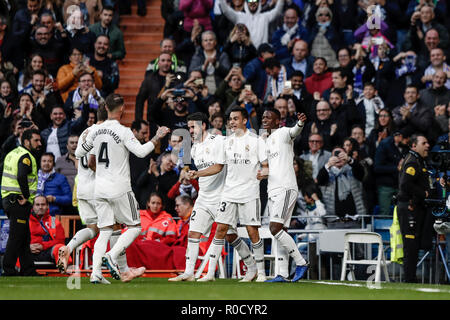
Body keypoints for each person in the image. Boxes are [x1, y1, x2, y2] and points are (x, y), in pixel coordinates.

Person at [75, 93, 170, 283]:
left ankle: (95, 274)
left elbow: (78, 153)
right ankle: (112, 256)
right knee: (135, 227)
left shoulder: (96, 131)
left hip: (99, 190)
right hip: (119, 188)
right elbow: (142, 152)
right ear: (122, 109)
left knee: (105, 230)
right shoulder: (124, 131)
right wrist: (157, 137)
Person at [169, 112, 257, 281]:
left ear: (203, 126)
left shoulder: (218, 141)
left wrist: (198, 173)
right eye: (188, 128)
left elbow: (218, 166)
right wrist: (187, 172)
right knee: (193, 233)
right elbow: (193, 169)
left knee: (231, 236)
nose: (191, 131)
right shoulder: (194, 148)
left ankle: (251, 265)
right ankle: (189, 273)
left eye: (193, 127)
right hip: (203, 198)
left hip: (222, 197)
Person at [192, 106, 268, 282]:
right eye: (230, 119)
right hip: (229, 192)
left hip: (249, 192)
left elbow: (265, 165)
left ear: (244, 120)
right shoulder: (226, 142)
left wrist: (264, 173)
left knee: (252, 232)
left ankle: (260, 271)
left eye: (235, 118)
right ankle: (210, 273)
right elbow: (218, 166)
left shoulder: (257, 141)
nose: (232, 122)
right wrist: (198, 173)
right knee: (221, 230)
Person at [259, 108, 309, 282]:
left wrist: (300, 122)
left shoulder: (283, 133)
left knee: (275, 229)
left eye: (268, 117)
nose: (264, 119)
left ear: (277, 121)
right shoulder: (266, 141)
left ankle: (301, 262)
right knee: (281, 231)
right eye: (263, 117)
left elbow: (295, 130)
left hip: (285, 187)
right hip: (273, 189)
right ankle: (282, 273)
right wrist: (262, 173)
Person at [1, 128, 41, 276]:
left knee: (24, 236)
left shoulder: (13, 153)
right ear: (26, 141)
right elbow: (21, 175)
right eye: (36, 140)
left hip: (8, 198)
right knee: (17, 236)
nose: (39, 143)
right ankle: (8, 269)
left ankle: (28, 269)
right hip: (18, 200)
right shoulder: (26, 156)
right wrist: (25, 196)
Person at [397, 134, 433, 283]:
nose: (428, 145)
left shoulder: (418, 160)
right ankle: (409, 278)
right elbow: (405, 184)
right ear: (413, 146)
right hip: (409, 207)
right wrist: (423, 193)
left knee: (414, 244)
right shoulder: (413, 161)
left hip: (414, 207)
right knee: (411, 245)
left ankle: (410, 277)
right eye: (424, 143)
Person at [316, 145, 367, 218]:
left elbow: (360, 171)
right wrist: (328, 164)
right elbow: (320, 180)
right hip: (333, 220)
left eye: (341, 155)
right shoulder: (327, 172)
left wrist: (349, 160)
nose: (338, 158)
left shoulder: (353, 170)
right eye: (335, 155)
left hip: (355, 219)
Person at [218, 0, 284, 49]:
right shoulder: (239, 16)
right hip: (245, 54)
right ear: (246, 3)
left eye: (255, 2)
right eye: (250, 2)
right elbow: (225, 10)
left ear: (259, 3)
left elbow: (278, 11)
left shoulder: (265, 17)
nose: (252, 4)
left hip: (261, 54)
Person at [374, 130, 409, 216]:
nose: (407, 142)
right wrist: (396, 168)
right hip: (386, 186)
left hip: (401, 186)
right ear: (399, 137)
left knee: (402, 213)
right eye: (405, 139)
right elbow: (377, 168)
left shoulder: (405, 148)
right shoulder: (384, 145)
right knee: (385, 213)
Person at [29, 195, 68, 265]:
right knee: (17, 247)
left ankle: (65, 271)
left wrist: (43, 246)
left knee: (60, 248)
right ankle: (16, 272)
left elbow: (60, 241)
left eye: (43, 204)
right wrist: (28, 247)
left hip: (48, 251)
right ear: (33, 207)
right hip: (28, 251)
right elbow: (19, 240)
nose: (40, 207)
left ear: (48, 206)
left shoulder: (53, 221)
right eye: (37, 205)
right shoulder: (26, 221)